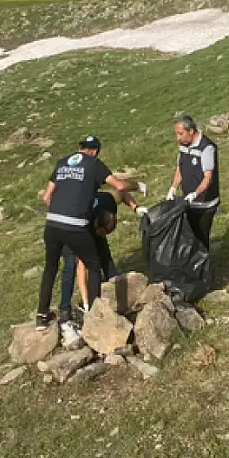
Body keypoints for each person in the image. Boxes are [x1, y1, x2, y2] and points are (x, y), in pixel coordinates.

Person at [37, 136, 139, 332]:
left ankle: (41, 316)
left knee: (50, 267)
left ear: (79, 148)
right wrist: (138, 186)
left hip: (52, 223)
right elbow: (119, 186)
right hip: (75, 224)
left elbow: (46, 196)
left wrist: (61, 211)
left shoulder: (62, 163)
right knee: (93, 264)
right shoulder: (94, 164)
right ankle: (94, 313)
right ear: (95, 151)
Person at [58, 188, 147, 345]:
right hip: (67, 227)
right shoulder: (83, 229)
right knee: (71, 266)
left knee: (103, 252)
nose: (103, 236)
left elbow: (122, 191)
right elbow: (82, 269)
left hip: (90, 219)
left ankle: (113, 279)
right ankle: (67, 313)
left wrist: (136, 207)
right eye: (101, 233)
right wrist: (87, 305)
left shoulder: (107, 201)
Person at [166, 115, 220, 249]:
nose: (177, 138)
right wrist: (173, 188)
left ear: (191, 131)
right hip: (189, 202)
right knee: (190, 238)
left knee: (201, 239)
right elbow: (180, 168)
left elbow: (208, 178)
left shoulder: (207, 148)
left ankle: (203, 266)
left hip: (205, 203)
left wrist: (195, 194)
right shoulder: (183, 145)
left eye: (180, 134)